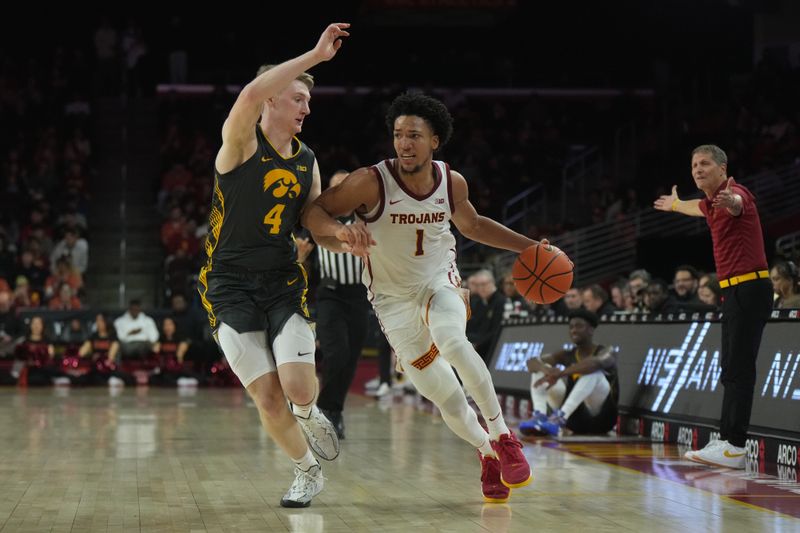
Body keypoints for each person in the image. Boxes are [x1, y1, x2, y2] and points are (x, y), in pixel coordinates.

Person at [303, 91, 545, 504]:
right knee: (444, 396)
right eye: (398, 134)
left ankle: (504, 436)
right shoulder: (369, 181)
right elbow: (313, 214)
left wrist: (529, 248)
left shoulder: (451, 182)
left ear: (435, 140)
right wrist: (342, 232)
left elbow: (473, 225)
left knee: (452, 339)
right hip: (392, 302)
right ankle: (487, 454)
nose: (404, 143)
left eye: (414, 135)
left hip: (439, 282)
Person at [195, 23, 351, 508]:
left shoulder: (308, 160)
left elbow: (312, 218)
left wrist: (344, 237)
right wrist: (313, 57)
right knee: (266, 397)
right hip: (228, 285)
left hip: (282, 281)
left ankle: (310, 412)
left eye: (308, 100)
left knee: (300, 387)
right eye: (298, 98)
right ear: (272, 100)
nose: (307, 107)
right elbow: (247, 93)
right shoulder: (240, 144)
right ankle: (307, 472)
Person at [654, 144, 773, 469]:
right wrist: (677, 204)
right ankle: (726, 439)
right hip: (734, 292)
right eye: (693, 165)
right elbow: (699, 207)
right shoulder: (711, 203)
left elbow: (737, 205)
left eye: (704, 163)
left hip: (750, 287)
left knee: (740, 369)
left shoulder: (736, 194)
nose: (697, 169)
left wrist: (731, 200)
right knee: (731, 369)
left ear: (723, 168)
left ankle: (735, 445)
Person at [311, 170, 370, 440]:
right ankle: (326, 409)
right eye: (338, 187)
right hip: (330, 294)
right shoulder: (322, 218)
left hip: (359, 295)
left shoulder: (368, 219)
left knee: (351, 358)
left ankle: (334, 410)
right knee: (337, 352)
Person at [519, 309, 618, 437]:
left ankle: (559, 417)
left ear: (591, 330)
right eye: (571, 327)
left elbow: (594, 364)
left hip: (602, 419)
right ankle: (540, 415)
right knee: (540, 369)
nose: (574, 330)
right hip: (575, 419)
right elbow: (531, 362)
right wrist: (548, 371)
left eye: (579, 326)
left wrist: (560, 373)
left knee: (594, 373)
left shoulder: (607, 351)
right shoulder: (567, 354)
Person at [466, 269, 506, 363]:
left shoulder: (500, 301)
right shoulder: (480, 302)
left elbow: (496, 331)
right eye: (478, 285)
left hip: (492, 349)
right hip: (479, 345)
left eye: (483, 284)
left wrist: (477, 344)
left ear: (492, 283)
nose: (481, 288)